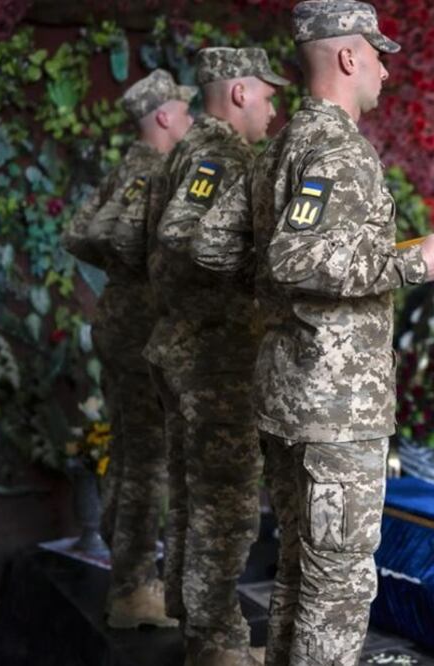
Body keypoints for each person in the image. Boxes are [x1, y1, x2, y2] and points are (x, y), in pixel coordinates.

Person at [249, 2, 434, 663]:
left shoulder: (283, 143)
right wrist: (411, 262)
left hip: (295, 396)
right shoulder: (337, 148)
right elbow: (292, 256)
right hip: (333, 409)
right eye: (379, 56)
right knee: (336, 586)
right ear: (348, 56)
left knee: (302, 571)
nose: (385, 73)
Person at [144, 47, 288, 665]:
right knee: (224, 506)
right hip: (215, 357)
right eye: (268, 94)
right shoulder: (222, 154)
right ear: (238, 94)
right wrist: (260, 271)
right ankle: (217, 642)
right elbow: (182, 234)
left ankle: (196, 623)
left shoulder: (183, 151)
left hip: (187, 347)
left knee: (195, 496)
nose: (275, 107)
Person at [61, 69, 193, 630]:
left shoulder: (126, 170)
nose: (190, 119)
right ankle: (136, 586)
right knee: (146, 459)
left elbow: (77, 232)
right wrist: (144, 272)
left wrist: (122, 269)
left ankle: (132, 580)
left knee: (135, 451)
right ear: (163, 116)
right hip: (142, 330)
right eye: (184, 111)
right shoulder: (156, 173)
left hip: (120, 321)